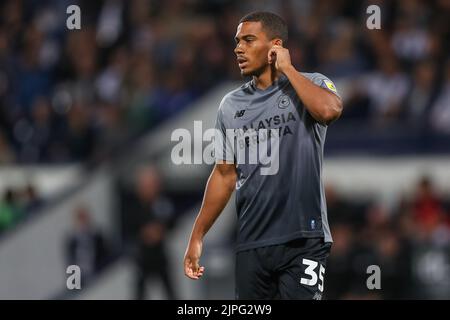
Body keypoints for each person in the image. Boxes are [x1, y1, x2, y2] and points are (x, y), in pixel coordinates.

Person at [184, 11, 343, 300]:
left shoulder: (311, 83)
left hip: (303, 239)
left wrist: (289, 70)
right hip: (252, 244)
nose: (238, 48)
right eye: (236, 42)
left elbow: (329, 111)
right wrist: (197, 236)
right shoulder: (230, 105)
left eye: (248, 40)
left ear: (275, 46)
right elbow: (224, 175)